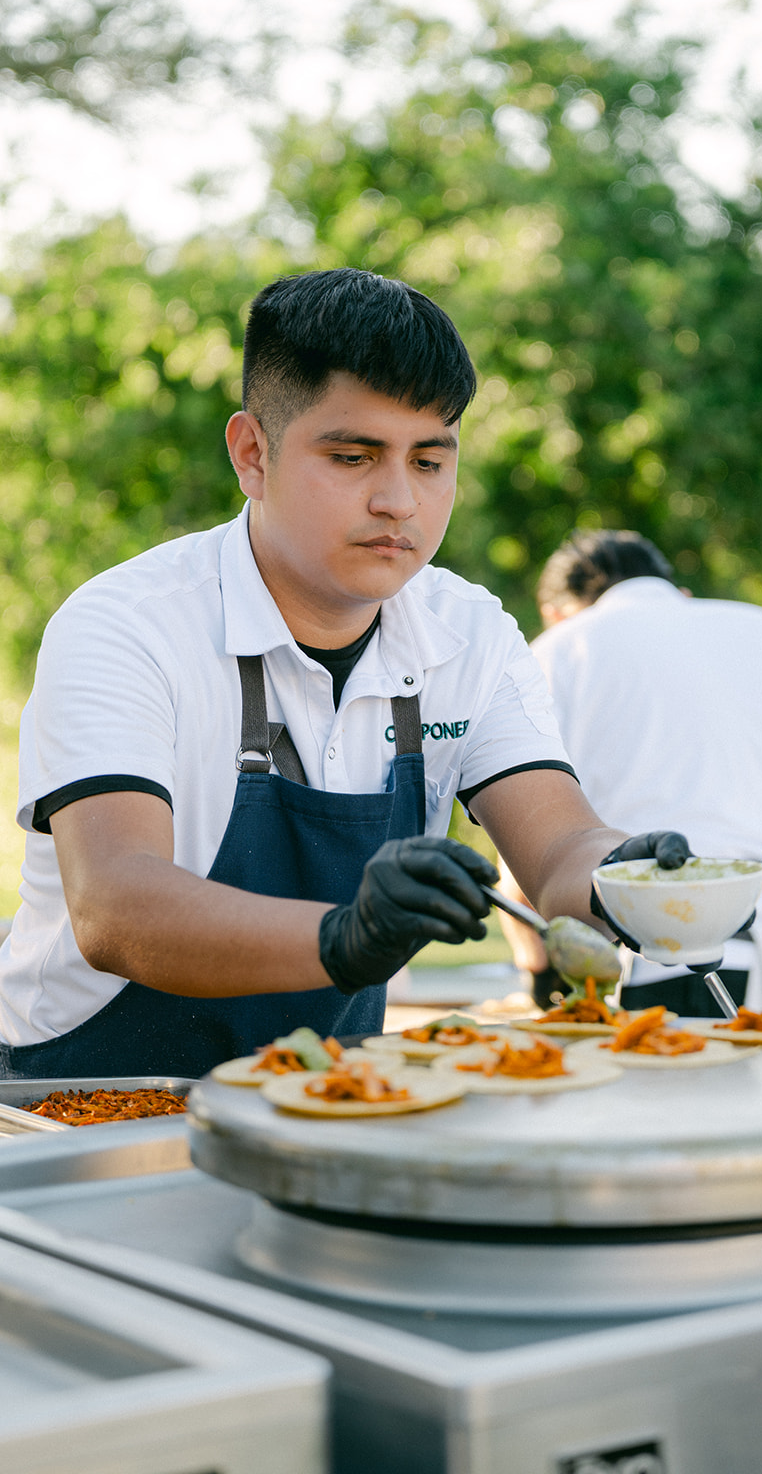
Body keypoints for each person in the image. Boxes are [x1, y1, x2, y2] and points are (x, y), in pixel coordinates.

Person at [0, 274, 688, 1078]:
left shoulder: (468, 634)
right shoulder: (127, 623)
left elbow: (559, 844)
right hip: (85, 1096)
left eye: (429, 461)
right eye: (353, 456)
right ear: (253, 454)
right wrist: (345, 936)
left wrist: (624, 874)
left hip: (323, 1094)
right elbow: (115, 907)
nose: (398, 500)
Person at [497, 529, 762, 1023]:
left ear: (556, 615)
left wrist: (537, 967)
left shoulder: (561, 649)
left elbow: (530, 847)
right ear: (678, 592)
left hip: (682, 958)